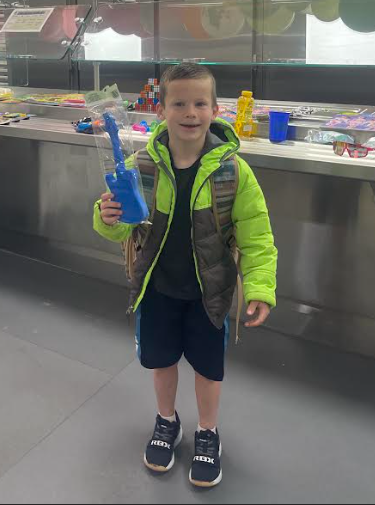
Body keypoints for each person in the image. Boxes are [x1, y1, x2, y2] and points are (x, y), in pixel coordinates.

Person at [93, 63, 277, 488]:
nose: (190, 112)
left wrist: (262, 287)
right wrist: (105, 216)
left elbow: (258, 234)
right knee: (161, 361)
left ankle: (207, 431)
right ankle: (166, 420)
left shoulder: (233, 172)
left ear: (216, 110)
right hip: (157, 288)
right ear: (162, 110)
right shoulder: (141, 166)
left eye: (200, 103)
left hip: (208, 293)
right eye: (179, 103)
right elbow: (121, 225)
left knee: (209, 369)